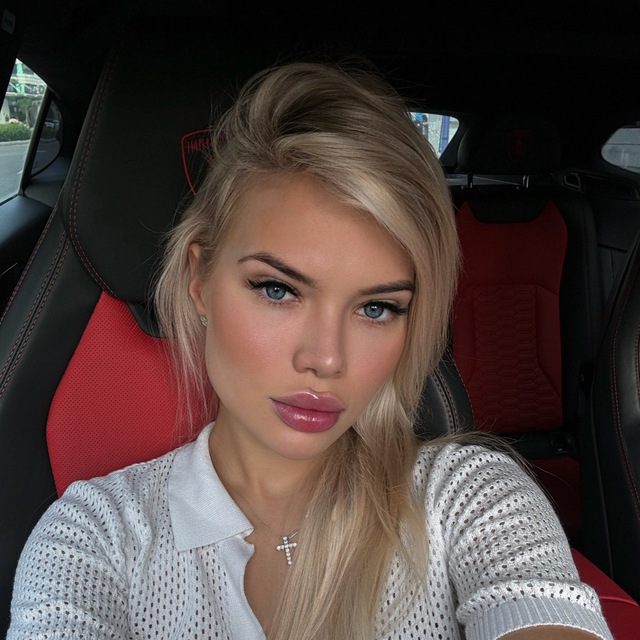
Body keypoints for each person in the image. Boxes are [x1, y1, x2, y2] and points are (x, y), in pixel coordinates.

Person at [8, 62, 612, 640]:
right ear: (199, 280)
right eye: (278, 289)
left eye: (377, 307)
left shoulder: (469, 499)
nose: (327, 360)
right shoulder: (95, 537)